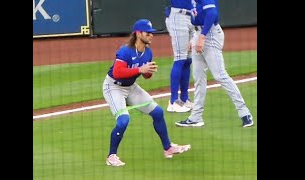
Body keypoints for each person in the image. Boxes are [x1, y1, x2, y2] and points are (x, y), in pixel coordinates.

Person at [103, 19, 191, 167]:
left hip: (131, 87)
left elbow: (145, 75)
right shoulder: (125, 51)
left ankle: (168, 148)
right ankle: (111, 156)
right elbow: (117, 73)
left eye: (152, 33)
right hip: (113, 87)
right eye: (148, 33)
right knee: (123, 120)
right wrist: (140, 69)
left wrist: (148, 72)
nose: (151, 36)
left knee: (157, 112)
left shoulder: (147, 53)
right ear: (138, 34)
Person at [175, 0, 254, 128]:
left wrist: (202, 37)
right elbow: (195, 16)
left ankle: (245, 113)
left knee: (220, 75)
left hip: (209, 34)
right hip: (198, 33)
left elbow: (211, 13)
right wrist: (194, 38)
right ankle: (196, 117)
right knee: (198, 77)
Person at [165, 0, 197, 113]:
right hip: (178, 16)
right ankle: (173, 101)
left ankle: (184, 99)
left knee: (188, 60)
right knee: (180, 58)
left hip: (192, 16)